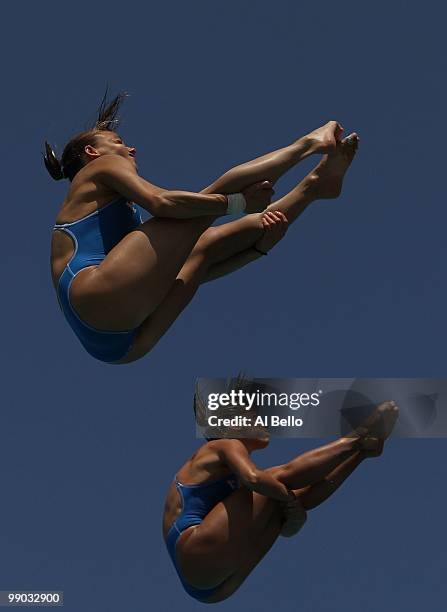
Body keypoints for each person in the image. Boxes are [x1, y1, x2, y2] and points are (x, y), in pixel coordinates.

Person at [46, 92, 359, 363]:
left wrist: (257, 249)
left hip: (123, 346)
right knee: (209, 199)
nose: (131, 149)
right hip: (98, 296)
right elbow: (161, 202)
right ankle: (308, 145)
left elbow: (197, 270)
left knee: (202, 244)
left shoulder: (119, 231)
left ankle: (315, 187)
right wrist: (233, 204)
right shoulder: (102, 165)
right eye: (118, 142)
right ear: (92, 152)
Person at [162, 393, 399, 603]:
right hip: (195, 553)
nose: (263, 421)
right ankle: (357, 439)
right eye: (253, 415)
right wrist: (289, 500)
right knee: (273, 480)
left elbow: (286, 527)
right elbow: (254, 478)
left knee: (277, 502)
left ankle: (362, 452)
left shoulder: (232, 481)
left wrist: (293, 514)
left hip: (213, 585)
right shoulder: (224, 445)